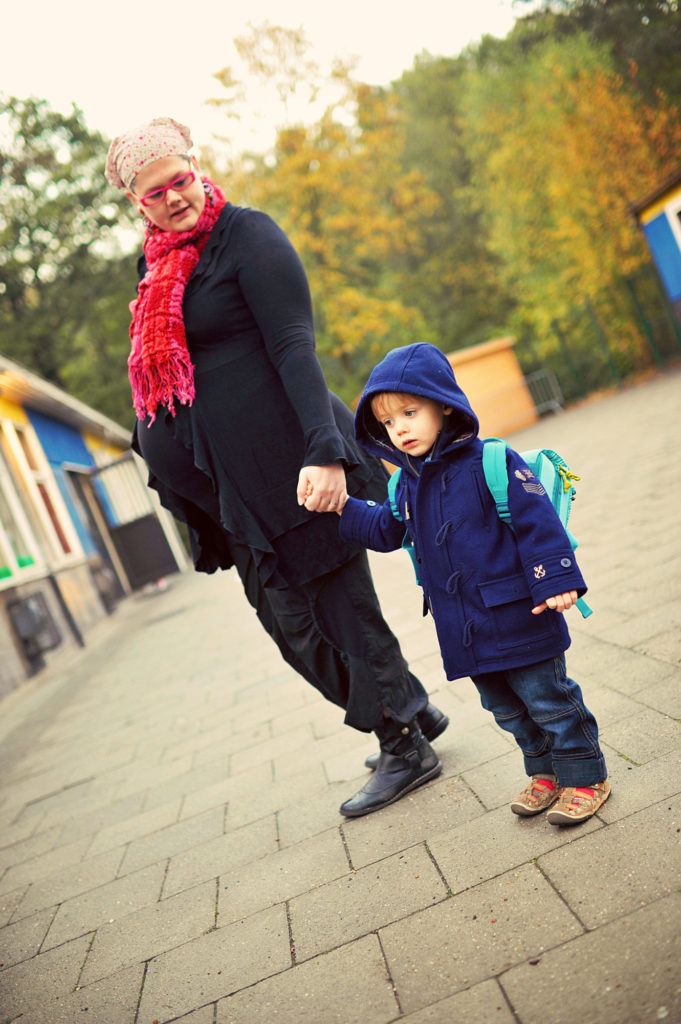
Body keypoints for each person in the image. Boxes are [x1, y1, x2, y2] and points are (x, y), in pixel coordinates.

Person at [104, 117, 448, 818]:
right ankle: (408, 708)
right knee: (292, 625)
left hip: (293, 465)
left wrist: (324, 454)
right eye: (154, 193)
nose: (173, 198)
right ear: (135, 203)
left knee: (334, 614)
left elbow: (294, 346)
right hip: (236, 488)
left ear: (197, 167)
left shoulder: (248, 238)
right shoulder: (157, 264)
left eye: (180, 180)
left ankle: (404, 744)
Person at [333, 342, 610, 826]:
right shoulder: (406, 485)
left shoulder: (494, 462)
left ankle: (586, 776)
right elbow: (387, 529)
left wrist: (555, 580)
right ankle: (545, 772)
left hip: (521, 612)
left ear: (442, 403)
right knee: (505, 707)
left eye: (409, 412)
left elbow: (536, 524)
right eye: (388, 422)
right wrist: (341, 507)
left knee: (549, 699)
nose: (399, 428)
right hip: (466, 627)